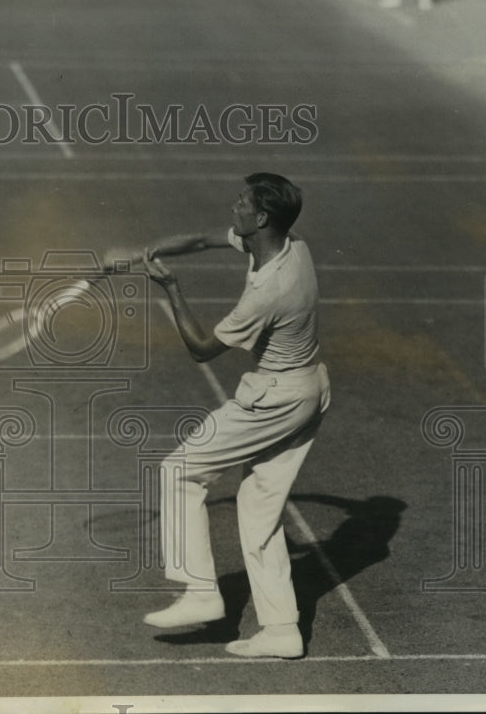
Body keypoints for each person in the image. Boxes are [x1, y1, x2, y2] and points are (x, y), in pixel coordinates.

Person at [116, 172, 330, 659]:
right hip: (310, 391)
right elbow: (198, 239)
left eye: (241, 203)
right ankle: (281, 631)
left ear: (260, 218)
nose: (232, 207)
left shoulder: (271, 290)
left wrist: (169, 287)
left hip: (274, 400)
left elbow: (202, 350)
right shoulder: (290, 244)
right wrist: (139, 253)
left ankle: (200, 593)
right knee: (258, 511)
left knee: (180, 471)